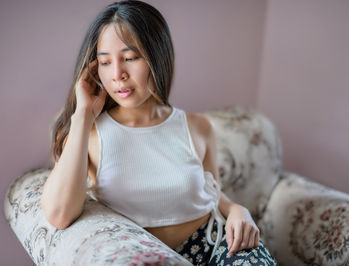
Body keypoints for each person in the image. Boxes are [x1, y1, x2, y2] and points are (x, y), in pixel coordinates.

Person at [40, 1, 277, 265]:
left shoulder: (198, 127)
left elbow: (210, 192)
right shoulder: (89, 133)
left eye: (130, 58)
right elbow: (59, 214)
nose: (118, 74)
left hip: (218, 246)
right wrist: (83, 115)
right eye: (105, 62)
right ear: (94, 69)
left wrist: (237, 210)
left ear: (157, 56)